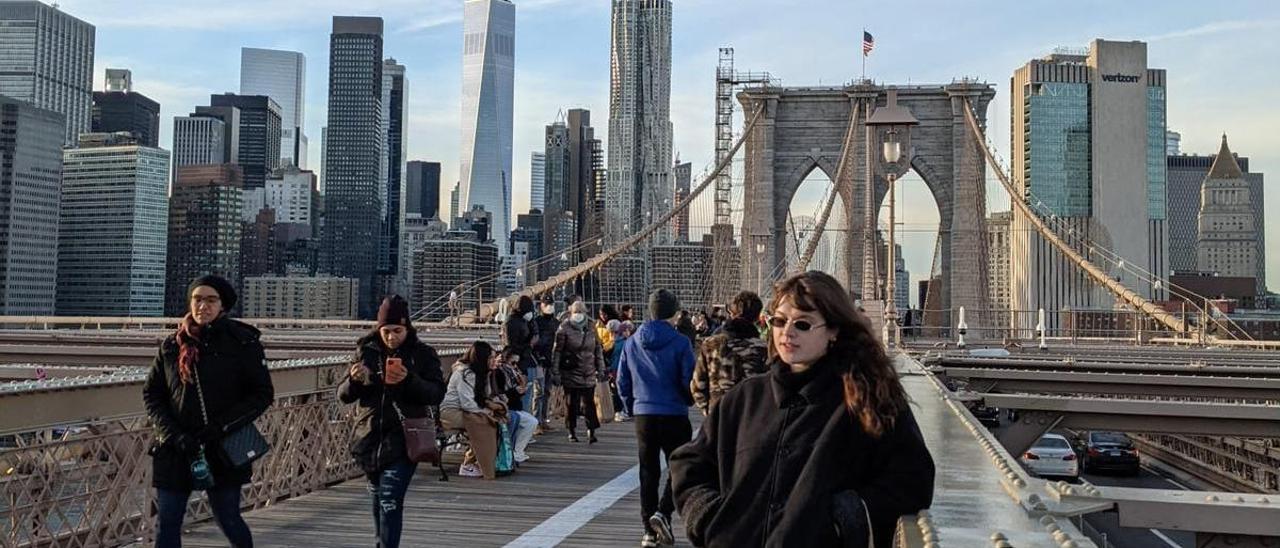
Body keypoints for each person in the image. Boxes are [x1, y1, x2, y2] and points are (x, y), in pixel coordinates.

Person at [670, 271, 935, 548]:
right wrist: (708, 517)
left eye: (803, 324)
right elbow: (689, 463)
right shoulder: (744, 399)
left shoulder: (869, 400)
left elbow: (912, 479)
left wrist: (844, 518)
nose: (787, 332)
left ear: (834, 330)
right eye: (780, 321)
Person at [144, 275, 275, 548]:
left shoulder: (242, 343)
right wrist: (172, 434)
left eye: (211, 300)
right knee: (167, 522)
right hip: (175, 447)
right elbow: (152, 394)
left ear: (223, 305)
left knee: (227, 517)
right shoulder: (172, 345)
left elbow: (262, 395)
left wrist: (220, 427)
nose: (203, 305)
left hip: (222, 446)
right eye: (197, 299)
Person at [338, 295, 446, 548]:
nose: (391, 337)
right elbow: (343, 396)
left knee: (389, 499)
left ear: (407, 327)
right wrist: (354, 381)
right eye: (386, 331)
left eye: (397, 330)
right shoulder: (365, 351)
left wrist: (409, 380)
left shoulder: (422, 355)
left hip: (405, 440)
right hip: (369, 439)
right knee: (378, 500)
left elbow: (436, 393)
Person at [616, 289, 696, 548]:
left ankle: (648, 532)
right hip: (674, 414)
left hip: (644, 416)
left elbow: (622, 381)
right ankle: (663, 512)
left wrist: (631, 406)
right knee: (681, 469)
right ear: (674, 313)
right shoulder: (682, 342)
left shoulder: (632, 341)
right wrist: (688, 399)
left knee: (648, 472)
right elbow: (688, 379)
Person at [690, 291, 769, 415]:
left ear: (731, 313)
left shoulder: (711, 344)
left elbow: (697, 386)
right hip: (752, 419)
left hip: (719, 417)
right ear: (756, 317)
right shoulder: (764, 349)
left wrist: (710, 412)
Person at [553, 300, 605, 443]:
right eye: (576, 312)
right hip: (571, 370)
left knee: (589, 403)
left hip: (588, 370)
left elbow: (598, 349)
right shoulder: (564, 328)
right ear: (571, 313)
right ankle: (571, 430)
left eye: (580, 312)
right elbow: (557, 351)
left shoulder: (591, 327)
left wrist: (601, 369)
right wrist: (556, 372)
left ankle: (591, 430)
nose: (578, 315)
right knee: (571, 403)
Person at [497, 349, 537, 463]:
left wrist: (521, 390)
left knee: (531, 421)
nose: (515, 366)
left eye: (517, 363)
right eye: (513, 363)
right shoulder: (500, 372)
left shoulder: (513, 373)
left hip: (512, 406)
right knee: (527, 421)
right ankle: (514, 451)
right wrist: (515, 391)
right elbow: (500, 394)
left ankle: (517, 451)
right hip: (505, 407)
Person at [502, 295, 539, 412]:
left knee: (528, 396)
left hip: (527, 361)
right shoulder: (511, 322)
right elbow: (511, 345)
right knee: (524, 398)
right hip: (519, 364)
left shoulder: (525, 321)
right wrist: (529, 344)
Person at [531, 296, 560, 430]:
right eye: (546, 304)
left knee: (547, 391)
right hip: (539, 360)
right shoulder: (536, 321)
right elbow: (534, 341)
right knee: (539, 391)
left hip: (551, 360)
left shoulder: (556, 322)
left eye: (550, 304)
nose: (549, 306)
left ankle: (543, 420)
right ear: (541, 306)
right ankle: (536, 421)